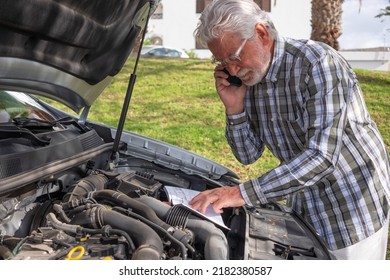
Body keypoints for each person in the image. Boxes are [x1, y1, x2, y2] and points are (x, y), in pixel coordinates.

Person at [189, 0, 390, 260]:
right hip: (302, 202)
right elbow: (248, 155)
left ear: (261, 33)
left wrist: (240, 193)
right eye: (222, 62)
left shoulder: (319, 64)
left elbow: (322, 157)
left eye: (234, 57)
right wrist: (234, 107)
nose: (232, 70)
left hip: (351, 204)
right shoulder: (249, 77)